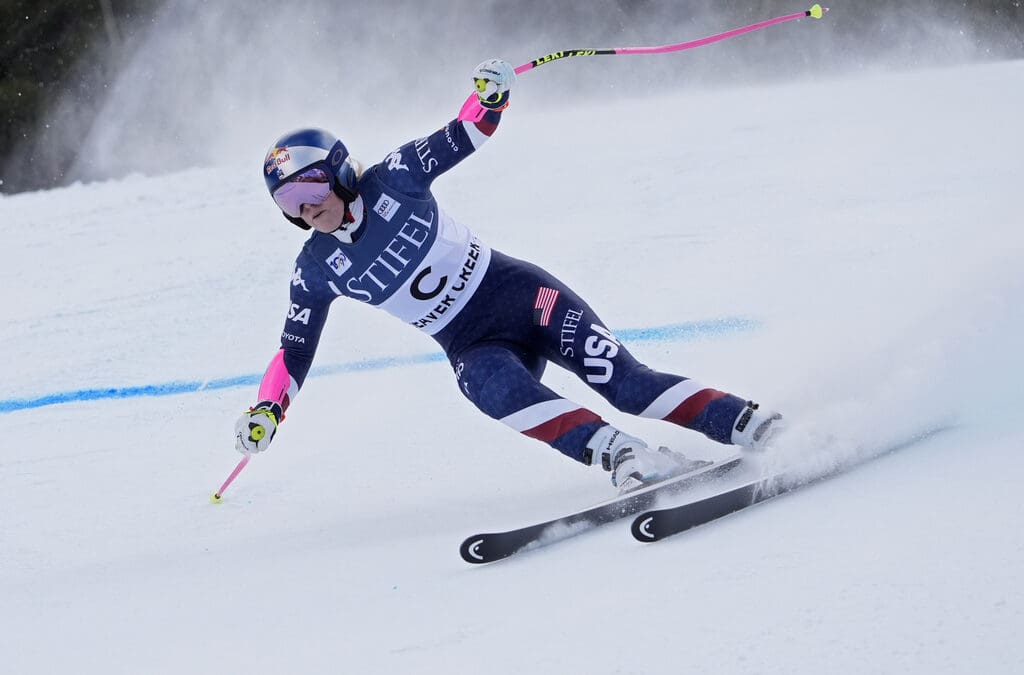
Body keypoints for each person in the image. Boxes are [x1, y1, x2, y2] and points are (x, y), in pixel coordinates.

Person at [236, 58, 782, 494]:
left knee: (628, 384)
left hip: (519, 295)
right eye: (287, 201)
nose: (305, 209)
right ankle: (624, 455)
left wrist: (491, 96)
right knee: (490, 391)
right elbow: (294, 350)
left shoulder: (395, 177)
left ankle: (748, 423)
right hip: (472, 342)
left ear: (339, 170)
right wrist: (268, 409)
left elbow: (465, 131)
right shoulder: (314, 270)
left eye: (310, 190)